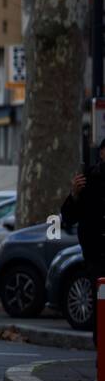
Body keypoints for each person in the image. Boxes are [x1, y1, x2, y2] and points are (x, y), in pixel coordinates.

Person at [62, 138, 105, 340]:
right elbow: (69, 218)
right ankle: (101, 355)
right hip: (96, 257)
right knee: (100, 306)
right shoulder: (89, 180)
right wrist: (74, 194)